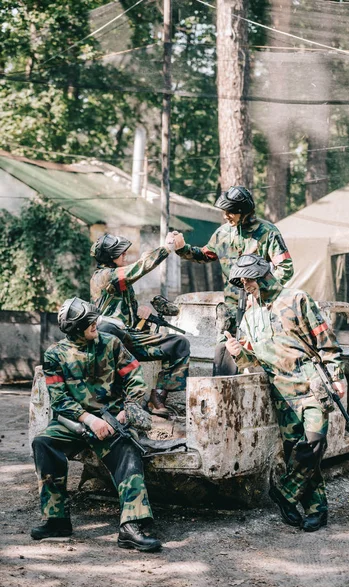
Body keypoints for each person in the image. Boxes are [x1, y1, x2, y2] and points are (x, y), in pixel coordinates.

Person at [224, 254, 346, 532]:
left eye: (248, 277)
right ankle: (317, 509)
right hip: (282, 394)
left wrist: (337, 375)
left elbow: (325, 339)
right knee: (297, 453)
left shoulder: (297, 299)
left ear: (262, 274)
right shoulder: (249, 317)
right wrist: (239, 353)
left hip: (313, 385)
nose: (244, 284)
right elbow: (253, 362)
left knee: (314, 445)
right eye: (241, 280)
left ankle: (285, 493)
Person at [31, 297, 161, 552]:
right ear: (76, 327)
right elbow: (59, 399)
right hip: (75, 422)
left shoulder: (111, 344)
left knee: (128, 450)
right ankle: (56, 520)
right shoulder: (54, 355)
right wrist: (89, 420)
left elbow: (134, 378)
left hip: (113, 420)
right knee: (43, 443)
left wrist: (126, 411)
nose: (96, 323)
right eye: (90, 321)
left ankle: (130, 527)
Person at [172, 185, 293, 375]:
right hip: (231, 308)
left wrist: (262, 293)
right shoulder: (222, 234)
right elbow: (204, 255)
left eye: (230, 212)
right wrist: (182, 248)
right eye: (224, 212)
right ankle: (222, 399)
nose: (225, 216)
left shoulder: (267, 232)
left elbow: (285, 268)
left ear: (243, 212)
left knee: (258, 357)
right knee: (225, 352)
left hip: (260, 309)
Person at [90, 233, 190, 417]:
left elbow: (130, 322)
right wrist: (165, 248)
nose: (125, 257)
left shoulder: (123, 284)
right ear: (110, 256)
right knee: (111, 331)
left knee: (179, 344)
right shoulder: (103, 276)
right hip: (109, 340)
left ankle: (157, 397)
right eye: (122, 254)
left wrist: (142, 317)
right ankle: (118, 404)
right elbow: (137, 269)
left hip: (129, 338)